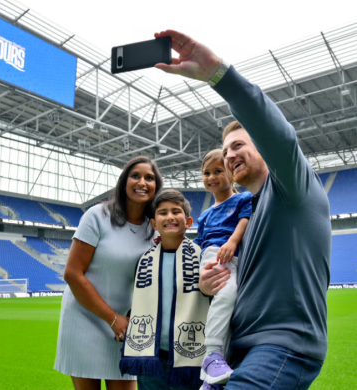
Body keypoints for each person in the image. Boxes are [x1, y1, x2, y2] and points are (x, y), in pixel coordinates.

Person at [154, 30, 331, 390]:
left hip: (282, 347)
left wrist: (217, 74)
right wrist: (208, 286)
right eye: (225, 150)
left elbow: (279, 135)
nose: (229, 155)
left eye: (238, 145)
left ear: (263, 147)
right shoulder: (249, 209)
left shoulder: (293, 188)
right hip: (239, 349)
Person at [54, 156, 163, 390]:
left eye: (149, 178)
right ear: (124, 182)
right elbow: (73, 274)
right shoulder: (97, 216)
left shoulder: (156, 228)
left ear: (156, 186)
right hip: (85, 318)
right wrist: (112, 319)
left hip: (127, 327)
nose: (142, 182)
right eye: (135, 176)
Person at [120, 189, 210, 390]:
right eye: (162, 212)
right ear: (154, 223)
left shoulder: (203, 258)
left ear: (188, 221)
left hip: (194, 356)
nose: (169, 217)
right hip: (152, 357)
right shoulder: (143, 261)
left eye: (176, 211)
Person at [193, 149, 252, 387]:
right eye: (206, 173)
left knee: (229, 315)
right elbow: (199, 244)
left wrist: (233, 241)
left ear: (231, 172)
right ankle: (212, 354)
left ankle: (212, 379)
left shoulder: (242, 198)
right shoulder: (205, 215)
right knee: (226, 296)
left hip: (234, 257)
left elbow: (245, 220)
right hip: (216, 256)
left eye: (218, 171)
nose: (212, 177)